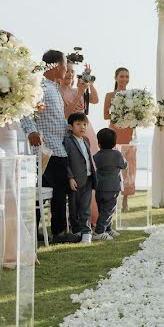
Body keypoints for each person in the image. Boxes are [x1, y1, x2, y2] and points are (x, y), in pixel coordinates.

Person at [21, 50, 80, 244]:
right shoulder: (39, 87)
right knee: (56, 190)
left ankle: (39, 229)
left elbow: (56, 116)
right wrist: (31, 131)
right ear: (55, 66)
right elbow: (26, 111)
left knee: (47, 190)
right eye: (64, 65)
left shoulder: (53, 87)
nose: (66, 69)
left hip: (57, 145)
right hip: (46, 148)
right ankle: (59, 232)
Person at [61, 59, 99, 229]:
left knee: (91, 172)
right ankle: (75, 220)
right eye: (67, 70)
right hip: (71, 133)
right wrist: (79, 93)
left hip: (87, 132)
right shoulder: (58, 92)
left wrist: (88, 83)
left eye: (72, 72)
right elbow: (65, 115)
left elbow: (96, 100)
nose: (69, 74)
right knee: (78, 173)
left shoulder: (80, 89)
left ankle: (92, 217)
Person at [103, 67, 136, 212]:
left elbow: (139, 115)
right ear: (116, 78)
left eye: (127, 76)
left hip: (129, 134)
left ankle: (125, 200)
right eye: (122, 76)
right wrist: (120, 114)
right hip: (114, 134)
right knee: (113, 167)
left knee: (128, 168)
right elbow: (105, 115)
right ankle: (112, 199)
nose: (124, 79)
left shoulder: (134, 95)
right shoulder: (109, 95)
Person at [64, 112, 97, 243]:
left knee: (85, 207)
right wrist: (70, 177)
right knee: (74, 208)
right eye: (78, 124)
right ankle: (76, 230)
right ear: (71, 127)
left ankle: (86, 231)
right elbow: (66, 162)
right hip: (75, 180)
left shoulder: (86, 140)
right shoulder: (67, 141)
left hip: (88, 179)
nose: (82, 127)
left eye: (84, 124)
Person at [92, 128, 127, 241]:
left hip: (100, 187)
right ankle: (99, 232)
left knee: (103, 210)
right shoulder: (117, 154)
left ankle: (108, 229)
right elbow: (124, 165)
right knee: (108, 210)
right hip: (112, 188)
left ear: (99, 143)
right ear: (114, 143)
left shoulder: (96, 155)